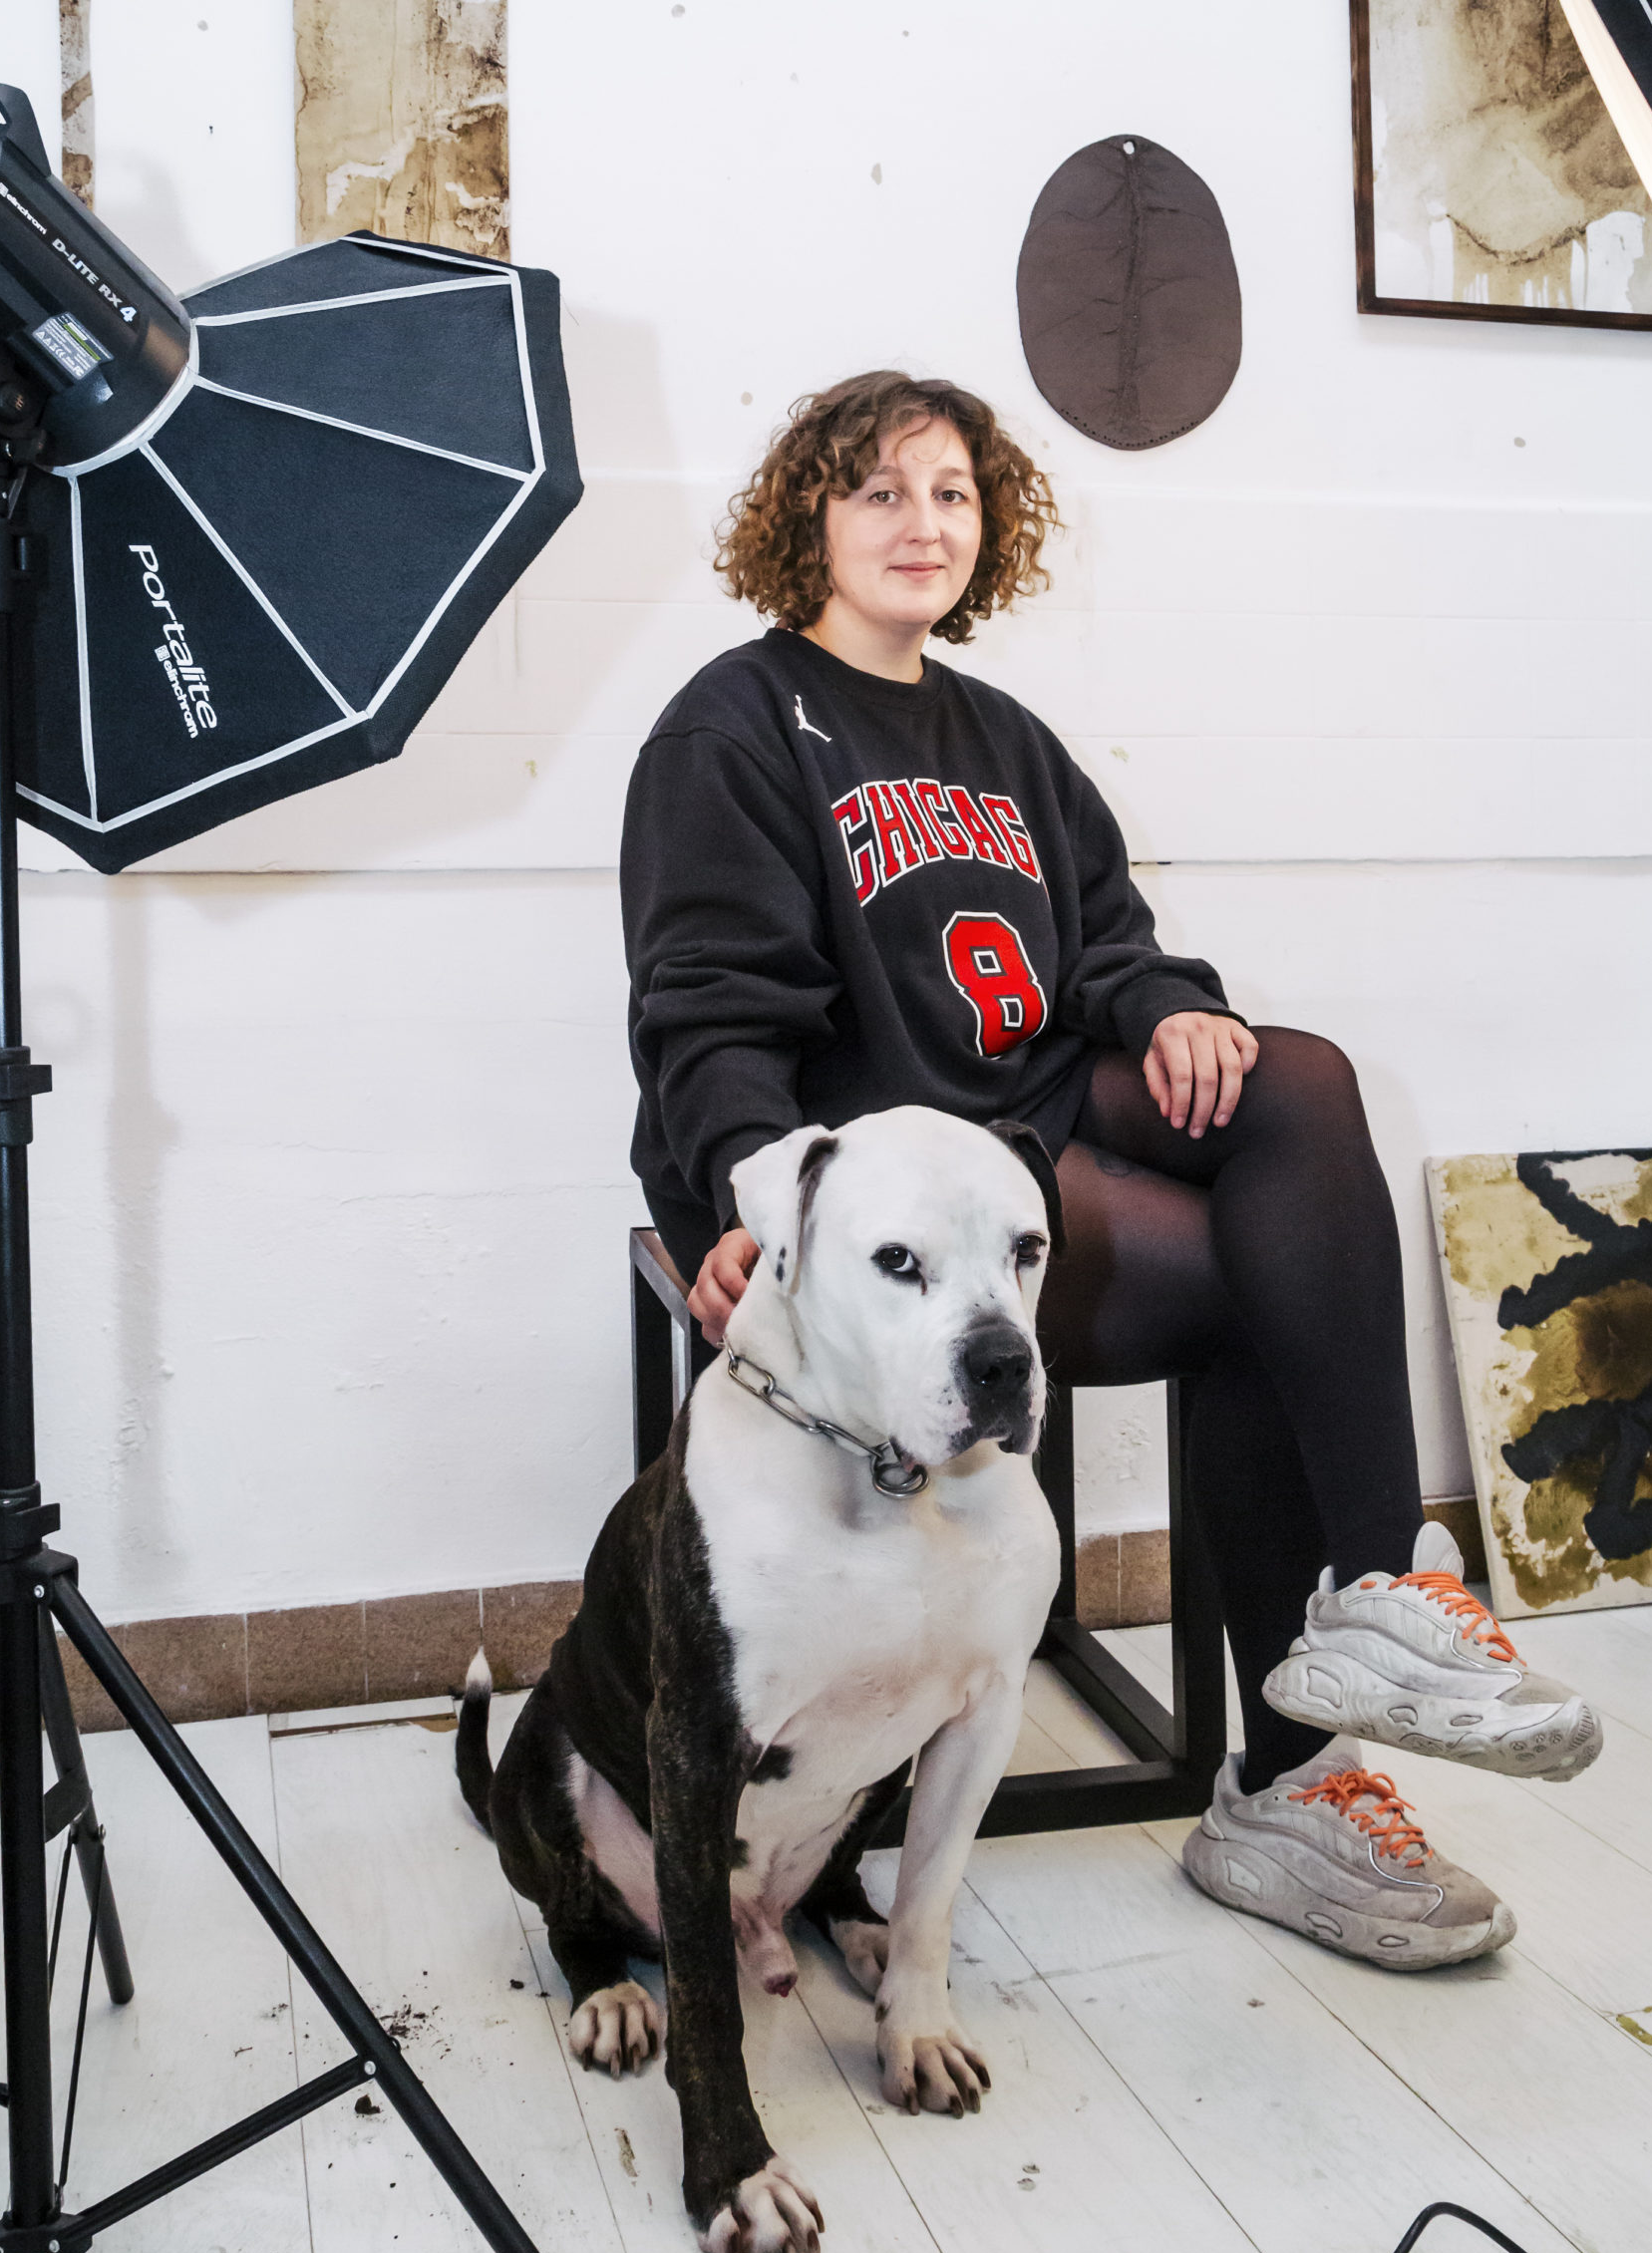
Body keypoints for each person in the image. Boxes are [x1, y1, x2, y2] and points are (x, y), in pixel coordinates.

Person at [619, 372, 1601, 1973]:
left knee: (1294, 1080)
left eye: (949, 493)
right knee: (1243, 1289)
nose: (918, 523)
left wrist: (1170, 1009)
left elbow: (1105, 944)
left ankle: (1378, 1596)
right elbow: (707, 1006)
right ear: (806, 516)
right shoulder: (732, 725)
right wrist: (750, 1193)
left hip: (1028, 1114)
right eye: (876, 491)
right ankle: (1292, 1787)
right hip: (891, 1187)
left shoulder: (1000, 731)